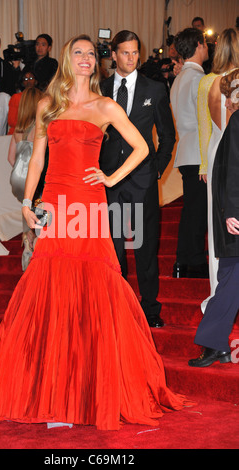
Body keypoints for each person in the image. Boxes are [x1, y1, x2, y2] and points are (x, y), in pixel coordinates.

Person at [0, 34, 192, 431]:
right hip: (56, 204)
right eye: (79, 53)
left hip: (89, 205)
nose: (86, 59)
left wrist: (111, 177)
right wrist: (26, 202)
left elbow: (143, 147)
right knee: (51, 287)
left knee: (93, 286)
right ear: (67, 58)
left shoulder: (105, 105)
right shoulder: (48, 105)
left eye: (91, 54)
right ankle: (52, 384)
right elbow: (38, 157)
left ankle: (87, 386)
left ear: (97, 61)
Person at [99, 30, 176, 328]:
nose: (131, 58)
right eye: (125, 53)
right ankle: (116, 306)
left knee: (145, 248)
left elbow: (167, 136)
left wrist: (157, 167)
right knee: (114, 248)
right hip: (110, 180)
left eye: (135, 53)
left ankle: (150, 309)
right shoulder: (101, 88)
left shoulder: (155, 89)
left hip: (143, 179)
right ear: (114, 54)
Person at [189, 69, 239, 367]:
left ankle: (214, 342)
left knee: (230, 277)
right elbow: (231, 174)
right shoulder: (236, 124)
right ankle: (214, 342)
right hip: (233, 216)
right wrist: (233, 212)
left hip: (231, 214)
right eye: (232, 92)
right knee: (230, 276)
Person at [197, 28, 239, 312]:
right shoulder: (235, 81)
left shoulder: (207, 82)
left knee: (216, 228)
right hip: (233, 153)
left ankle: (217, 293)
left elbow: (205, 128)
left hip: (214, 153)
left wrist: (203, 163)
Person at [170, 28, 209, 279]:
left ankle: (183, 261)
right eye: (205, 43)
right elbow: (207, 122)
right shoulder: (199, 79)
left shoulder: (179, 79)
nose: (207, 47)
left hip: (187, 150)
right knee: (197, 212)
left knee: (191, 211)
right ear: (198, 45)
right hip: (200, 154)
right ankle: (192, 260)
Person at [7, 87, 45, 271]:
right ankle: (35, 247)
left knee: (26, 207)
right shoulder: (39, 127)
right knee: (36, 211)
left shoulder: (18, 129)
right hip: (34, 178)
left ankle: (27, 242)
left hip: (16, 178)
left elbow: (10, 159)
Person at [7, 67, 38, 135]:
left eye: (31, 78)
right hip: (17, 134)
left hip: (35, 134)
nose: (28, 81)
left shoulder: (41, 97)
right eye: (25, 79)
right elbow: (11, 121)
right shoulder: (16, 97)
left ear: (36, 81)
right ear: (22, 82)